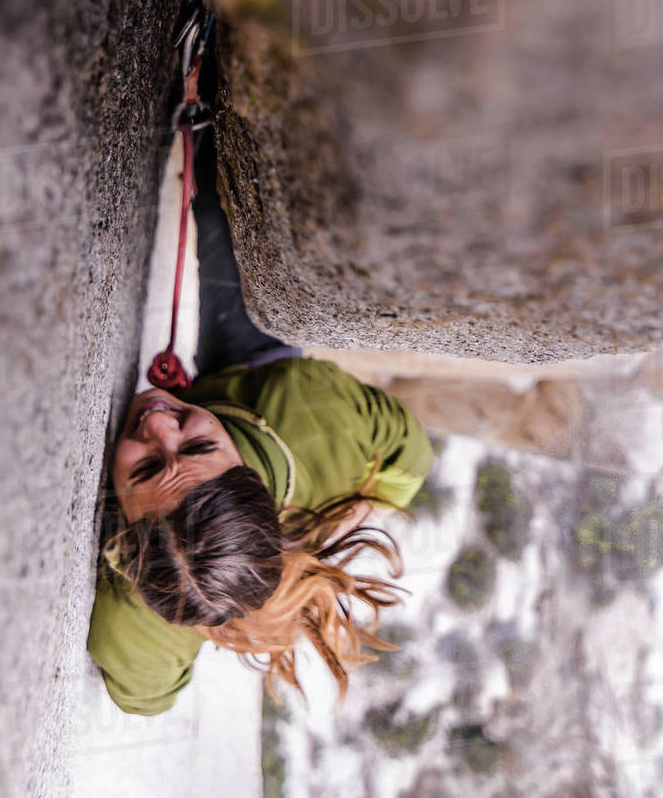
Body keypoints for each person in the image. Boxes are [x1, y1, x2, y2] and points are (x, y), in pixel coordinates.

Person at [87, 119, 435, 716]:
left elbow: (144, 697)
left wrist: (188, 602)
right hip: (256, 376)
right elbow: (413, 451)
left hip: (229, 434)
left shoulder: (144, 613)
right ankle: (210, 108)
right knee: (228, 214)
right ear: (249, 473)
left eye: (145, 469)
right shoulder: (319, 413)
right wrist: (368, 502)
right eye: (197, 449)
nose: (160, 423)